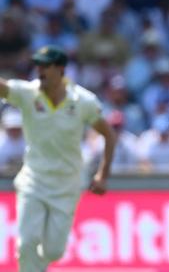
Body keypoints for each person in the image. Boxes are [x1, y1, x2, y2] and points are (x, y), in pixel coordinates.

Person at [0, 45, 116, 271]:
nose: (39, 70)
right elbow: (3, 88)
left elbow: (109, 135)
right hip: (33, 180)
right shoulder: (28, 93)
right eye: (38, 65)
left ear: (60, 69)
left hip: (67, 183)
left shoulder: (83, 101)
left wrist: (103, 174)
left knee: (54, 250)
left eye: (45, 66)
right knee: (26, 244)